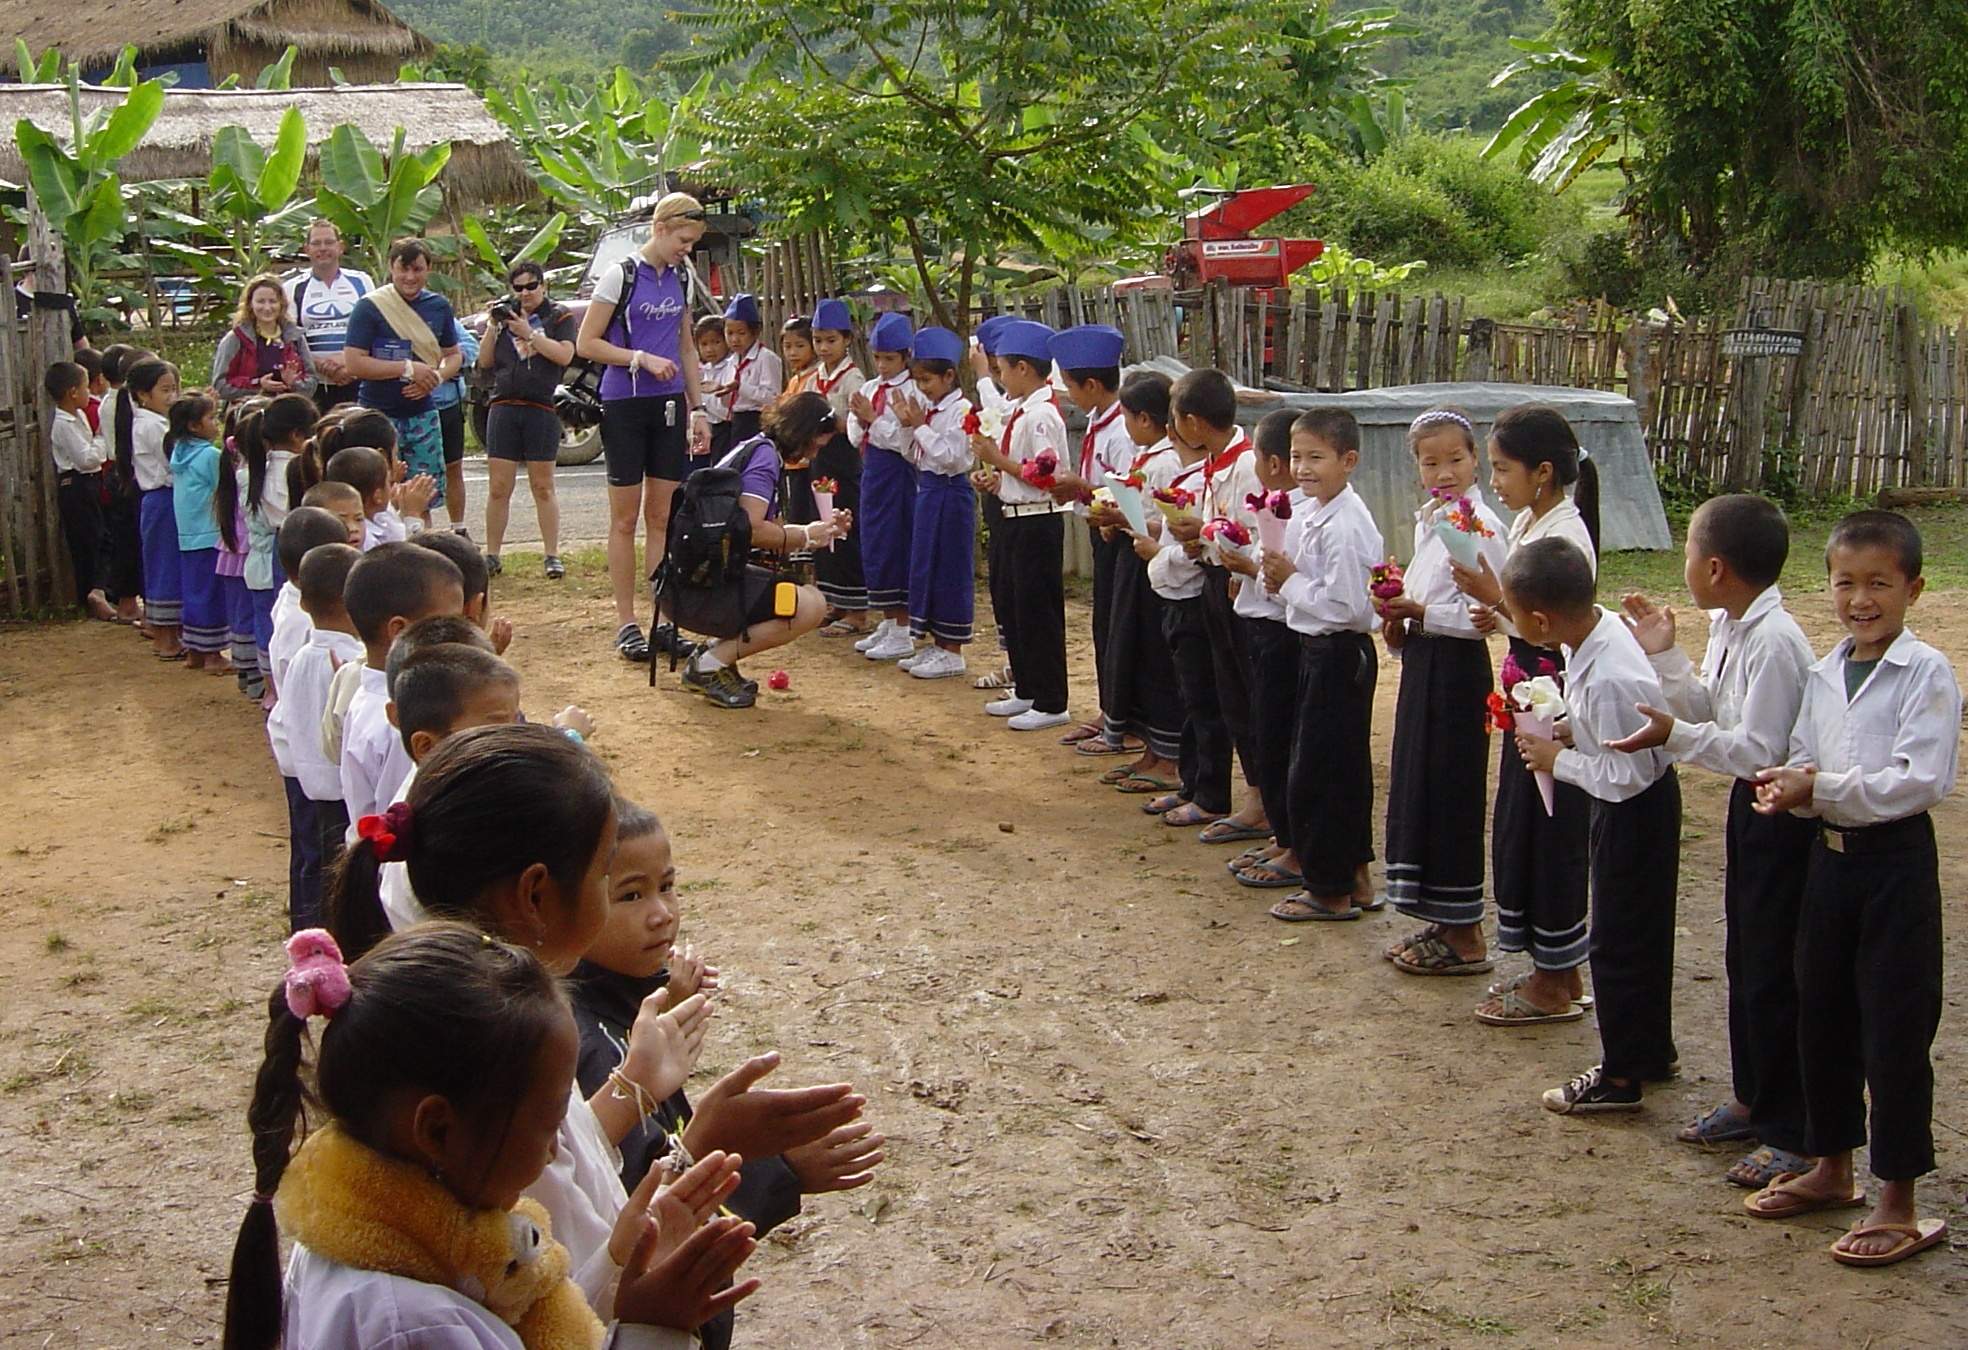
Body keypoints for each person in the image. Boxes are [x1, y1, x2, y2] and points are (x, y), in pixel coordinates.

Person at [326, 724, 866, 1318]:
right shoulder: (510, 1049)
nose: (650, 909)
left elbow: (565, 1154)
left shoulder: (447, 1005)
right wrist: (708, 1141)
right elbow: (563, 1281)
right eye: (610, 877)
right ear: (535, 894)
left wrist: (632, 1087)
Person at [221, 922, 760, 1350]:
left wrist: (619, 1256)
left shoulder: (363, 1232)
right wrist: (652, 1329)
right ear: (436, 1129)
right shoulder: (413, 1328)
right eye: (550, 1126)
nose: (554, 1151)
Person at [568, 798, 885, 1350]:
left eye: (667, 886)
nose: (663, 912)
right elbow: (643, 1204)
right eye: (630, 895)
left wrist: (663, 997)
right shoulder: (586, 1047)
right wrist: (780, 1169)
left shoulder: (618, 1005)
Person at [1742, 512, 1956, 1267]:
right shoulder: (1827, 669)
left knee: (1894, 1028)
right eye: (1845, 583)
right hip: (1827, 861)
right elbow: (1803, 748)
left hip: (1894, 864)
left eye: (1878, 584)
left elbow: (1918, 778)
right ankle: (1832, 1167)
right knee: (1820, 1011)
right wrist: (1788, 787)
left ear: (1912, 589)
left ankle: (1899, 1199)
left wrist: (1819, 784)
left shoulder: (1925, 672)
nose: (1861, 600)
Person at [1607, 495, 1816, 1185]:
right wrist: (1668, 659)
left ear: (1717, 567)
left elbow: (1757, 749)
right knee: (1745, 957)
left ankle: (1790, 1126)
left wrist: (1677, 737)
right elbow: (1707, 708)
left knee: (1774, 968)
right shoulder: (1732, 625)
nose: (1686, 564)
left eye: (1691, 551)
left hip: (1779, 813)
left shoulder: (1776, 641)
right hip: (1748, 805)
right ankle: (1752, 1097)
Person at [1500, 538, 1682, 1112]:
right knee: (1637, 934)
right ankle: (1649, 1049)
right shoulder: (1592, 638)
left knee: (1619, 941)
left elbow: (1624, 773)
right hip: (1633, 799)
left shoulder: (1609, 672)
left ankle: (1622, 1075)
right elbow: (1603, 730)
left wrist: (1562, 762)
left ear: (1539, 620)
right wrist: (1566, 730)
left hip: (1637, 809)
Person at [1445, 404, 1600, 1025]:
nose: (1497, 482)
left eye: (1503, 469)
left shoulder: (1563, 534)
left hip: (1550, 694)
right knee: (1528, 822)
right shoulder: (1534, 524)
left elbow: (1560, 633)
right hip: (1529, 684)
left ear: (1541, 472)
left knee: (1549, 824)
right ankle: (1555, 968)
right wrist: (1503, 616)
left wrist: (1496, 597)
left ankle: (1556, 979)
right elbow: (1531, 624)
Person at [1375, 409, 1510, 971]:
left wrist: (1421, 612)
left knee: (1451, 789)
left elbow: (1489, 611)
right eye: (1431, 462)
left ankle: (1466, 931)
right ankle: (1442, 916)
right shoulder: (1432, 521)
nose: (1445, 471)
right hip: (1426, 663)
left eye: (1455, 459)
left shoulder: (1481, 527)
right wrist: (1399, 616)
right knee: (1421, 784)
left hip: (1457, 671)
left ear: (1476, 460)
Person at [578, 192, 714, 665]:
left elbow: (688, 349)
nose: (687, 250)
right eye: (683, 239)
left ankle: (662, 617)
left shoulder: (681, 277)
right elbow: (587, 342)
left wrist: (699, 409)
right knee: (624, 518)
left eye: (693, 242)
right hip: (624, 403)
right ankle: (625, 623)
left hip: (668, 404)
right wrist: (637, 357)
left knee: (662, 517)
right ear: (660, 228)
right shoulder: (622, 275)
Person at [1258, 409, 1383, 921]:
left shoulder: (1347, 524)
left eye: (1316, 457)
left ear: (1348, 460)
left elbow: (1347, 606)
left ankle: (1328, 889)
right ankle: (1353, 877)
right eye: (1296, 457)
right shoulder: (1312, 509)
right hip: (1317, 650)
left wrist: (1288, 581)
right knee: (1340, 769)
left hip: (1338, 653)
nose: (1303, 469)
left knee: (1323, 772)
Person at [674, 394, 853, 710]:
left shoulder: (757, 448)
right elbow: (754, 529)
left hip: (688, 583)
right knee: (810, 606)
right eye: (819, 440)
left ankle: (716, 657)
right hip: (697, 592)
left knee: (801, 595)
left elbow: (757, 530)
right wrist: (806, 535)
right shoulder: (765, 458)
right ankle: (707, 666)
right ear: (806, 432)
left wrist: (815, 533)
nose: (819, 449)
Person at [1170, 369, 1271, 848]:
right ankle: (1256, 796)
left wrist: (1209, 538)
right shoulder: (1215, 463)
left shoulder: (1248, 465)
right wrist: (1199, 537)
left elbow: (1255, 531)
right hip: (1216, 581)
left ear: (1192, 422)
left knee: (1246, 693)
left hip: (1241, 588)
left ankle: (1262, 801)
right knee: (1227, 691)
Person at [966, 319, 1072, 731]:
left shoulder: (1041, 415)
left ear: (1024, 369)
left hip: (1037, 523)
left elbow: (1047, 474)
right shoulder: (1024, 411)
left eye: (1003, 369)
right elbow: (1021, 471)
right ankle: (1027, 688)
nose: (1000, 377)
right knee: (1016, 608)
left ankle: (1051, 700)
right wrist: (998, 479)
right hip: (1014, 517)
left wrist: (999, 462)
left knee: (1038, 613)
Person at [1221, 410, 1306, 890]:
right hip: (1264, 628)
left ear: (1272, 463)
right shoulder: (1276, 504)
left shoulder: (1296, 512)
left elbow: (1287, 578)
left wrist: (1251, 573)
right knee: (1267, 737)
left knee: (1282, 740)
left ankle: (1293, 839)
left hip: (1286, 634)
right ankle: (1281, 832)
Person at [1136, 398, 1230, 825]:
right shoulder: (1203, 472)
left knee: (1207, 699)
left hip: (1197, 593)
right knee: (1191, 695)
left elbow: (1211, 545)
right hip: (1181, 594)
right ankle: (1192, 784)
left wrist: (1159, 551)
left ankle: (1211, 792)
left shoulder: (1224, 471)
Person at [1092, 372, 1185, 796]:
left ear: (1145, 419)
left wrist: (1124, 518)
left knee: (1154, 659)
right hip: (1135, 562)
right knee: (1131, 654)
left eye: (1128, 416)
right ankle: (1150, 747)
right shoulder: (1147, 455)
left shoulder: (1166, 460)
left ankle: (1169, 757)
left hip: (1155, 569)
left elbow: (1168, 521)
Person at [1048, 325, 1136, 752]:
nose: (1067, 392)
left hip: (1119, 537)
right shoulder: (1101, 421)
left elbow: (1126, 495)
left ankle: (1127, 718)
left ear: (1093, 384)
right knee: (1104, 627)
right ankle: (1110, 709)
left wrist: (1079, 487)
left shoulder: (1121, 431)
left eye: (1069, 384)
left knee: (1120, 629)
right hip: (1102, 534)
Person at [267, 510, 355, 931]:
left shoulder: (306, 646)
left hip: (308, 770)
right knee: (326, 864)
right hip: (329, 782)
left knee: (315, 857)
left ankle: (310, 933)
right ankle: (316, 936)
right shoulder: (339, 659)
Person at [339, 543, 468, 827]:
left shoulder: (368, 695)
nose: (462, 634)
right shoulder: (403, 720)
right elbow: (406, 817)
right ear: (400, 631)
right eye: (450, 622)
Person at [341, 237, 464, 526]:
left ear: (428, 270)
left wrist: (435, 377)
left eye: (417, 270)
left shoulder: (438, 306)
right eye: (403, 269)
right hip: (378, 414)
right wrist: (407, 369)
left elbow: (453, 356)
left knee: (423, 493)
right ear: (391, 268)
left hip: (422, 411)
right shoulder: (371, 307)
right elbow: (354, 362)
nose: (410, 277)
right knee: (375, 493)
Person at [480, 260, 578, 580]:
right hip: (504, 405)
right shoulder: (505, 316)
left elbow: (565, 355)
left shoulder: (558, 316)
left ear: (543, 286)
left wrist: (529, 333)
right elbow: (484, 362)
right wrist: (494, 325)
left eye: (531, 286)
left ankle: (552, 554)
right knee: (499, 486)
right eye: (518, 288)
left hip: (541, 406)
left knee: (543, 485)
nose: (525, 293)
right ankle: (492, 554)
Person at [890, 326, 974, 679]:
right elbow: (914, 453)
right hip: (928, 489)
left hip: (951, 492)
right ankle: (937, 642)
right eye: (918, 381)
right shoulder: (931, 408)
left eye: (927, 380)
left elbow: (951, 457)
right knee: (926, 564)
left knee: (949, 567)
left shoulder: (962, 410)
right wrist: (909, 427)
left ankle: (952, 649)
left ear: (949, 375)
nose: (922, 388)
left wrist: (921, 426)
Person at [848, 312, 919, 662]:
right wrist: (863, 423)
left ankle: (904, 625)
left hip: (900, 476)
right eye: (877, 358)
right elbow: (852, 430)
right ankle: (889, 618)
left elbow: (903, 440)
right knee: (875, 542)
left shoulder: (912, 391)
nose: (882, 365)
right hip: (872, 474)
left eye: (889, 359)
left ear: (906, 356)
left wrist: (873, 421)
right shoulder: (869, 389)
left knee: (897, 542)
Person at [237, 395, 317, 700]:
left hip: (279, 548)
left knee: (279, 618)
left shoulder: (262, 467)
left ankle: (274, 687)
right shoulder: (293, 468)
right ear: (298, 435)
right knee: (296, 616)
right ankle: (287, 687)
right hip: (296, 545)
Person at [805, 298, 868, 632]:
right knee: (825, 529)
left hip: (844, 460)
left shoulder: (853, 379)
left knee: (846, 528)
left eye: (831, 340)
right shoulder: (816, 375)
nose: (823, 347)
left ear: (847, 340)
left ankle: (857, 609)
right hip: (820, 460)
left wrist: (832, 423)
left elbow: (858, 424)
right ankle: (836, 600)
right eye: (818, 340)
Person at [967, 315, 1018, 692]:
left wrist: (983, 377)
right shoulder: (1012, 396)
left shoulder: (1028, 400)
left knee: (1018, 592)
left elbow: (999, 421)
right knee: (1003, 587)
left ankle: (1022, 666)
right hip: (1002, 496)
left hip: (1024, 510)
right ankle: (1014, 660)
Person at [122, 358, 184, 659]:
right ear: (144, 395)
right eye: (165, 390)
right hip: (162, 499)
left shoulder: (155, 422)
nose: (172, 397)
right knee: (164, 566)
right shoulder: (152, 426)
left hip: (163, 501)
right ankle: (164, 636)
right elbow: (173, 465)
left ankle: (169, 634)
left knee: (166, 564)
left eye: (175, 389)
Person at [45, 361, 116, 619]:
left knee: (101, 537)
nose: (90, 393)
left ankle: (99, 590)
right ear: (72, 392)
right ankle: (91, 593)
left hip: (90, 482)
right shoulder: (63, 424)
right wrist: (100, 439)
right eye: (86, 388)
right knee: (87, 540)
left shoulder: (80, 416)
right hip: (76, 485)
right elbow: (86, 459)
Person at [168, 391, 230, 673]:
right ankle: (213, 654)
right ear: (194, 426)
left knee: (193, 592)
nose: (215, 423)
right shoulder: (209, 456)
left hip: (188, 534)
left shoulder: (179, 451)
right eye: (211, 418)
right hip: (209, 533)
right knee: (211, 594)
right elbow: (225, 489)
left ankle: (194, 651)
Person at [284, 218, 375, 411]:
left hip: (356, 378)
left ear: (340, 247)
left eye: (329, 242)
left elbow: (373, 327)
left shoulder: (362, 281)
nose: (323, 248)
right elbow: (289, 338)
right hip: (313, 383)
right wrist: (318, 364)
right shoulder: (292, 288)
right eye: (316, 243)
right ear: (306, 249)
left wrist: (347, 362)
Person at [95, 344, 149, 626]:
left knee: (124, 541)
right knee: (132, 541)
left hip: (117, 473)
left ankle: (129, 601)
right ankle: (132, 603)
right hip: (129, 474)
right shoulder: (127, 405)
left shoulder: (108, 400)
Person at [212, 403, 260, 696]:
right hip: (246, 552)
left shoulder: (233, 466)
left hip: (233, 551)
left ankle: (246, 673)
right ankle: (253, 676)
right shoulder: (248, 473)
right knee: (250, 615)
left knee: (240, 615)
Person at [211, 273, 317, 404]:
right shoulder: (236, 338)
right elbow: (220, 386)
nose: (267, 308)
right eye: (260, 301)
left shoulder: (295, 337)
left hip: (289, 412)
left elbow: (312, 383)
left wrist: (294, 383)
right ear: (250, 304)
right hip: (248, 416)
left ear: (281, 304)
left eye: (273, 301)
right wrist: (257, 385)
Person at [717, 293, 781, 448]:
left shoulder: (766, 358)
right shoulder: (731, 361)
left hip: (757, 421)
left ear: (755, 332)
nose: (734, 339)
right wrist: (721, 392)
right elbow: (729, 404)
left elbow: (772, 398)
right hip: (735, 421)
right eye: (730, 333)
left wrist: (740, 387)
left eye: (741, 333)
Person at [431, 324, 478, 532]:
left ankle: (458, 528)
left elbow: (470, 348)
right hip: (411, 407)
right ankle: (418, 531)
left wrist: (443, 361)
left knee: (453, 467)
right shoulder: (395, 315)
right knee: (413, 472)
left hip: (448, 404)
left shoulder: (441, 315)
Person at [694, 316, 733, 455]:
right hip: (711, 428)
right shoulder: (704, 371)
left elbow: (726, 410)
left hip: (728, 429)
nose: (710, 349)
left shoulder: (731, 367)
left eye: (716, 342)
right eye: (704, 344)